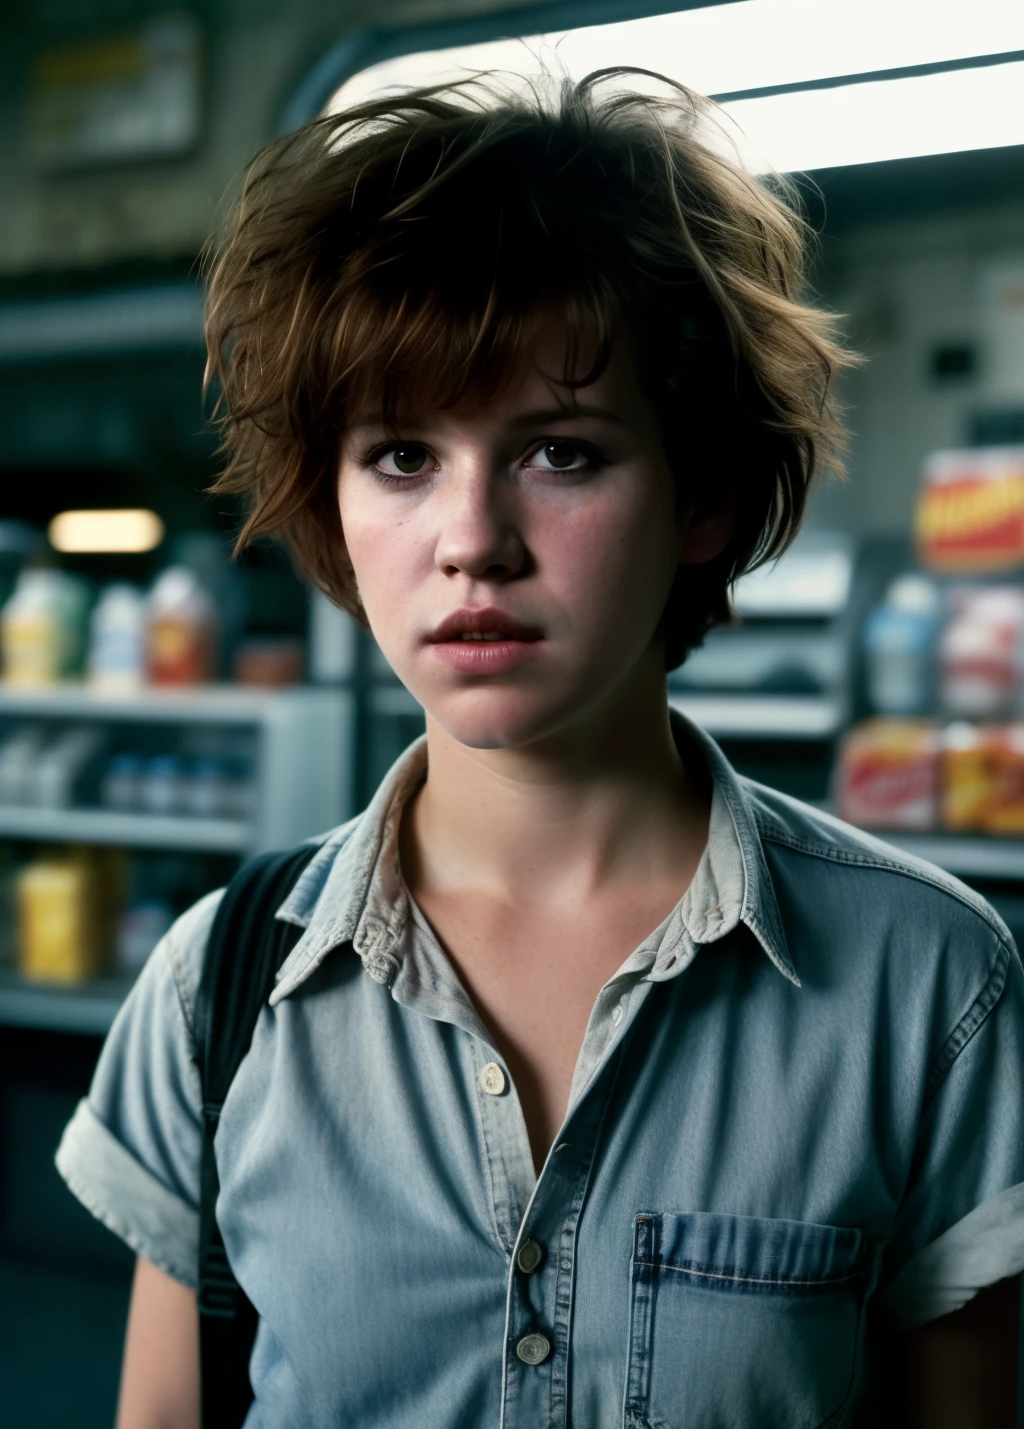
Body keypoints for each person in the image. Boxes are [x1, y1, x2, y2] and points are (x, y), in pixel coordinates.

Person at [58, 71, 1024, 1428]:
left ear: (705, 495)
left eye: (562, 453)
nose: (471, 540)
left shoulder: (928, 986)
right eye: (400, 456)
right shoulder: (223, 989)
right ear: (331, 505)